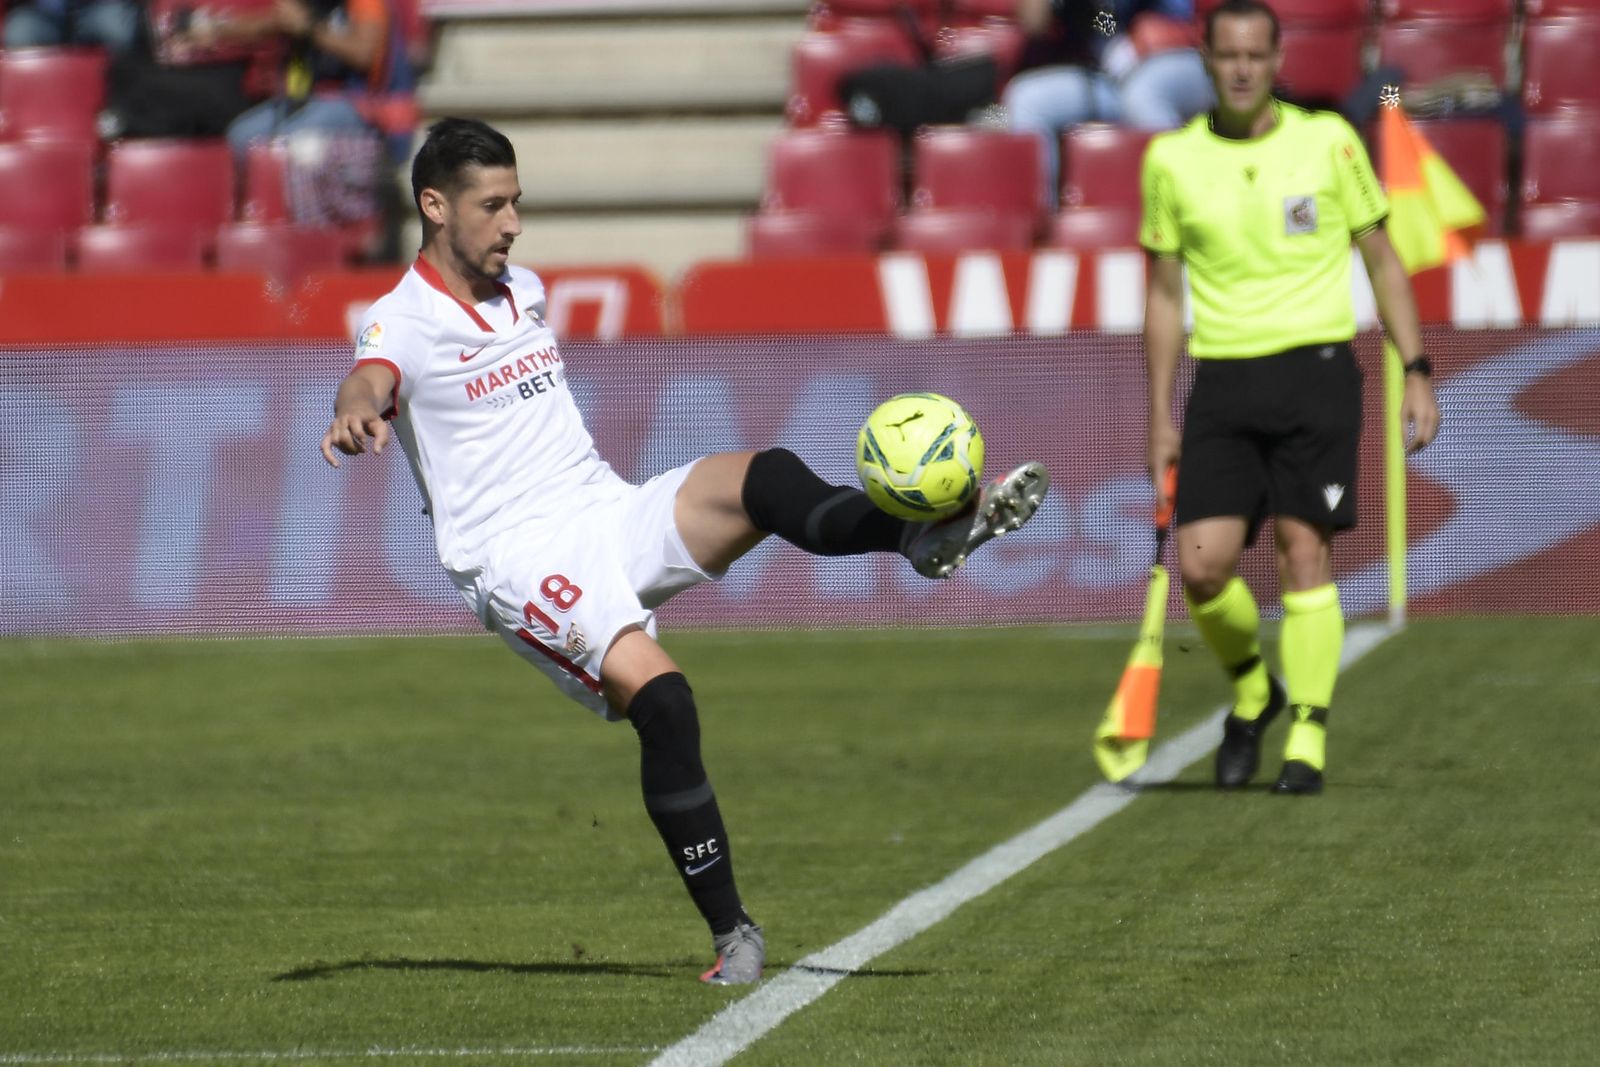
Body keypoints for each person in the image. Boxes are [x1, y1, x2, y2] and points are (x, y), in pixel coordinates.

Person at [319, 117, 1050, 983]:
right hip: (516, 558)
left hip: (603, 506)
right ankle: (733, 933)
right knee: (664, 703)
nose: (513, 222)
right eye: (493, 205)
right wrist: (355, 408)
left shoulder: (526, 288)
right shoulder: (399, 319)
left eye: (517, 202)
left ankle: (922, 538)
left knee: (764, 476)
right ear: (434, 206)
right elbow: (373, 374)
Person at [1139, 0, 1440, 795]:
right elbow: (1165, 298)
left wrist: (1417, 368)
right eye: (1227, 54)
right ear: (1204, 56)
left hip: (1316, 375)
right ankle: (1252, 687)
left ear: (1277, 62)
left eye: (1255, 56)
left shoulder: (1329, 141)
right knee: (1201, 564)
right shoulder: (1171, 160)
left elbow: (1382, 260)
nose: (1241, 68)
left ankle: (1306, 730)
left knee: (1304, 553)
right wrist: (1160, 414)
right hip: (1224, 380)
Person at [1004, 0, 1214, 204]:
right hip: (1112, 74)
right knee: (1027, 99)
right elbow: (1033, 23)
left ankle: (1180, 211)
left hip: (1179, 57)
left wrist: (1136, 38)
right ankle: (1040, 228)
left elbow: (1179, 15)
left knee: (1143, 93)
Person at [3, 0, 141, 53]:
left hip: (94, 10)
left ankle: (116, 95)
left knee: (118, 24)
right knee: (20, 31)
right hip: (44, 14)